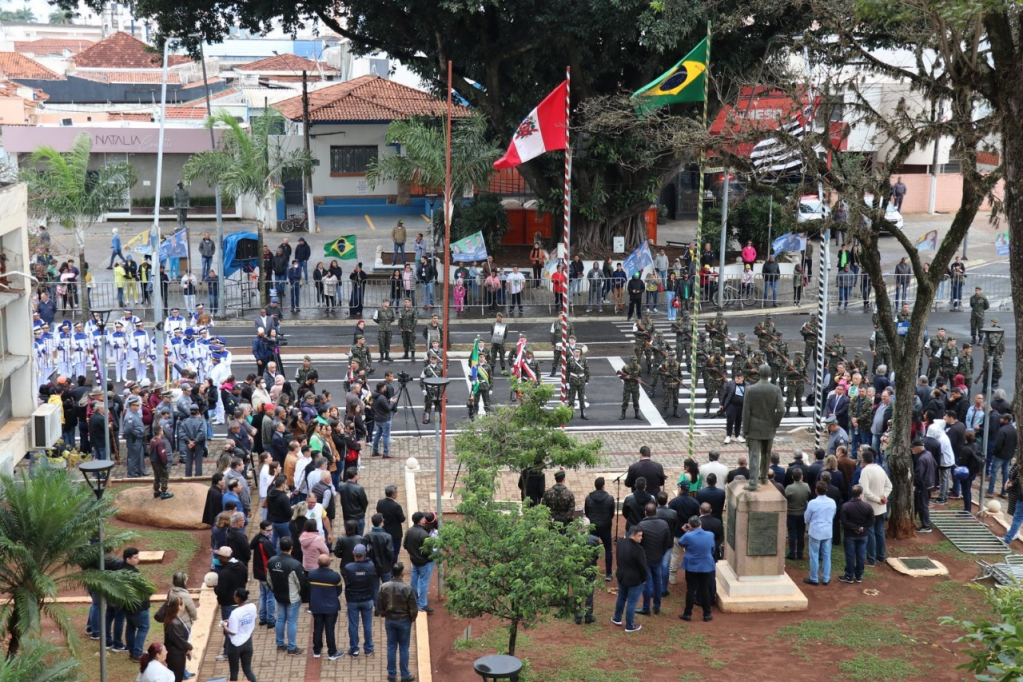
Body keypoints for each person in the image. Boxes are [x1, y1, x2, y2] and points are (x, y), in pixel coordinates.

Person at [267, 537, 307, 655]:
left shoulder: (271, 561)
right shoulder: (295, 564)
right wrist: (302, 595)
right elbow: (301, 583)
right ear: (291, 548)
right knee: (291, 622)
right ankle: (292, 647)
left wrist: (274, 590)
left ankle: (280, 644)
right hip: (293, 597)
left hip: (279, 595)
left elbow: (269, 579)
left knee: (280, 619)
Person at [380, 562, 418, 682]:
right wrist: (412, 618)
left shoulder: (384, 587)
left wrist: (383, 614)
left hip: (390, 620)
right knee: (404, 648)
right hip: (404, 621)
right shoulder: (407, 589)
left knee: (391, 646)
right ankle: (405, 674)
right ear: (402, 574)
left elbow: (380, 604)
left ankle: (391, 674)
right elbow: (413, 607)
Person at [678, 515, 715, 622]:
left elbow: (681, 542)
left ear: (690, 525)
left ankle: (687, 614)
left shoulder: (688, 535)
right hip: (706, 565)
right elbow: (712, 548)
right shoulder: (710, 534)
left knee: (691, 590)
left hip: (692, 566)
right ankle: (707, 614)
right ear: (700, 524)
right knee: (704, 589)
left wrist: (687, 531)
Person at [343, 543, 377, 657]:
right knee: (367, 624)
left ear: (353, 553)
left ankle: (354, 649)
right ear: (365, 554)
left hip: (353, 600)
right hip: (367, 599)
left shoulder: (348, 568)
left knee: (353, 625)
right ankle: (368, 649)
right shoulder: (370, 566)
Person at [638, 503, 672, 616]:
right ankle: (657, 606)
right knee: (658, 582)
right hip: (658, 557)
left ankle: (646, 607)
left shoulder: (641, 525)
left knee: (647, 583)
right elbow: (668, 542)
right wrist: (661, 553)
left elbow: (638, 543)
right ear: (656, 512)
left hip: (645, 558)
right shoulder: (664, 524)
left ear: (645, 513)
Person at [860, 448, 893, 565]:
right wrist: (883, 497)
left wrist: (880, 499)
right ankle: (881, 555)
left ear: (863, 460)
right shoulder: (880, 468)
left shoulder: (865, 471)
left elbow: (866, 492)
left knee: (871, 532)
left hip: (870, 507)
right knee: (879, 531)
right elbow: (889, 486)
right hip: (881, 507)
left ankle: (872, 558)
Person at [308, 554, 344, 660]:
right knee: (330, 629)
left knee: (317, 628)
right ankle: (332, 653)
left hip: (317, 606)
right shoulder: (335, 576)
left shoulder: (311, 574)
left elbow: (309, 588)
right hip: (331, 607)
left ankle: (316, 651)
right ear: (329, 563)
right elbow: (339, 590)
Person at [610, 526, 646, 633]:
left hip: (622, 576)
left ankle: (617, 618)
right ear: (632, 535)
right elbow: (643, 567)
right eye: (639, 536)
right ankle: (630, 626)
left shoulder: (620, 543)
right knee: (632, 602)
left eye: (641, 535)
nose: (641, 538)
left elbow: (618, 559)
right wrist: (644, 579)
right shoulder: (639, 550)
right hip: (635, 580)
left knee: (621, 598)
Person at [220, 588, 258, 682]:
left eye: (234, 595)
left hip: (235, 645)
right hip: (248, 641)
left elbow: (233, 632)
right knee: (247, 669)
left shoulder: (234, 613)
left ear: (237, 598)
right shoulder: (252, 607)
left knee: (234, 672)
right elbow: (252, 618)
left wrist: (224, 626)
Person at [122, 547, 153, 663]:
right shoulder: (133, 573)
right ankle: (137, 654)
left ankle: (131, 650)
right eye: (135, 557)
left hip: (128, 606)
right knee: (143, 627)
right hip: (139, 606)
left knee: (130, 626)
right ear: (127, 559)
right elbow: (144, 588)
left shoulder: (121, 569)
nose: (138, 559)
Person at [804, 481, 837, 586]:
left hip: (816, 531)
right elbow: (833, 515)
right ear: (826, 490)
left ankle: (814, 578)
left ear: (816, 491)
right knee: (827, 555)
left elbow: (806, 518)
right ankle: (826, 578)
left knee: (814, 555)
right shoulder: (832, 502)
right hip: (827, 531)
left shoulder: (812, 503)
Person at [839, 485, 873, 584]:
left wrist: (854, 528)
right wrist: (862, 528)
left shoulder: (846, 506)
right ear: (861, 495)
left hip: (850, 535)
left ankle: (849, 576)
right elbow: (871, 521)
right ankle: (859, 576)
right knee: (861, 555)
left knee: (850, 556)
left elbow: (844, 521)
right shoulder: (867, 506)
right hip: (863, 535)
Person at [584, 477, 616, 581]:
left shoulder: (588, 498)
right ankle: (608, 573)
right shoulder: (610, 498)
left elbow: (587, 512)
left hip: (593, 526)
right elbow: (612, 513)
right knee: (608, 549)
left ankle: (591, 571)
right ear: (603, 485)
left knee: (592, 549)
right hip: (606, 526)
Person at [404, 511, 436, 614]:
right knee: (423, 583)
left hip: (414, 561)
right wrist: (429, 559)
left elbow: (405, 545)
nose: (424, 520)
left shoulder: (409, 531)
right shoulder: (424, 534)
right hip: (423, 563)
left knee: (414, 581)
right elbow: (428, 551)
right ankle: (422, 604)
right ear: (420, 520)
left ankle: (414, 601)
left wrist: (413, 553)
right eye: (423, 518)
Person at [154, 595, 192, 682]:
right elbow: (180, 640)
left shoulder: (175, 619)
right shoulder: (174, 624)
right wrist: (189, 647)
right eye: (182, 604)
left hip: (177, 654)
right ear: (179, 607)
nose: (184, 605)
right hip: (175, 656)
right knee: (176, 678)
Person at [784, 469, 811, 560]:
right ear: (801, 476)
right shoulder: (806, 486)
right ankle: (800, 553)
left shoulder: (789, 488)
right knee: (801, 533)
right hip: (802, 514)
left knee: (791, 534)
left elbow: (785, 498)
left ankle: (792, 553)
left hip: (791, 514)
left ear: (792, 477)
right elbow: (809, 495)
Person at [377, 485, 407, 560]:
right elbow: (402, 519)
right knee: (395, 552)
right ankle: (393, 568)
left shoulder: (380, 502)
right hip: (395, 533)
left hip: (384, 530)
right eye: (396, 493)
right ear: (393, 495)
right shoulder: (396, 506)